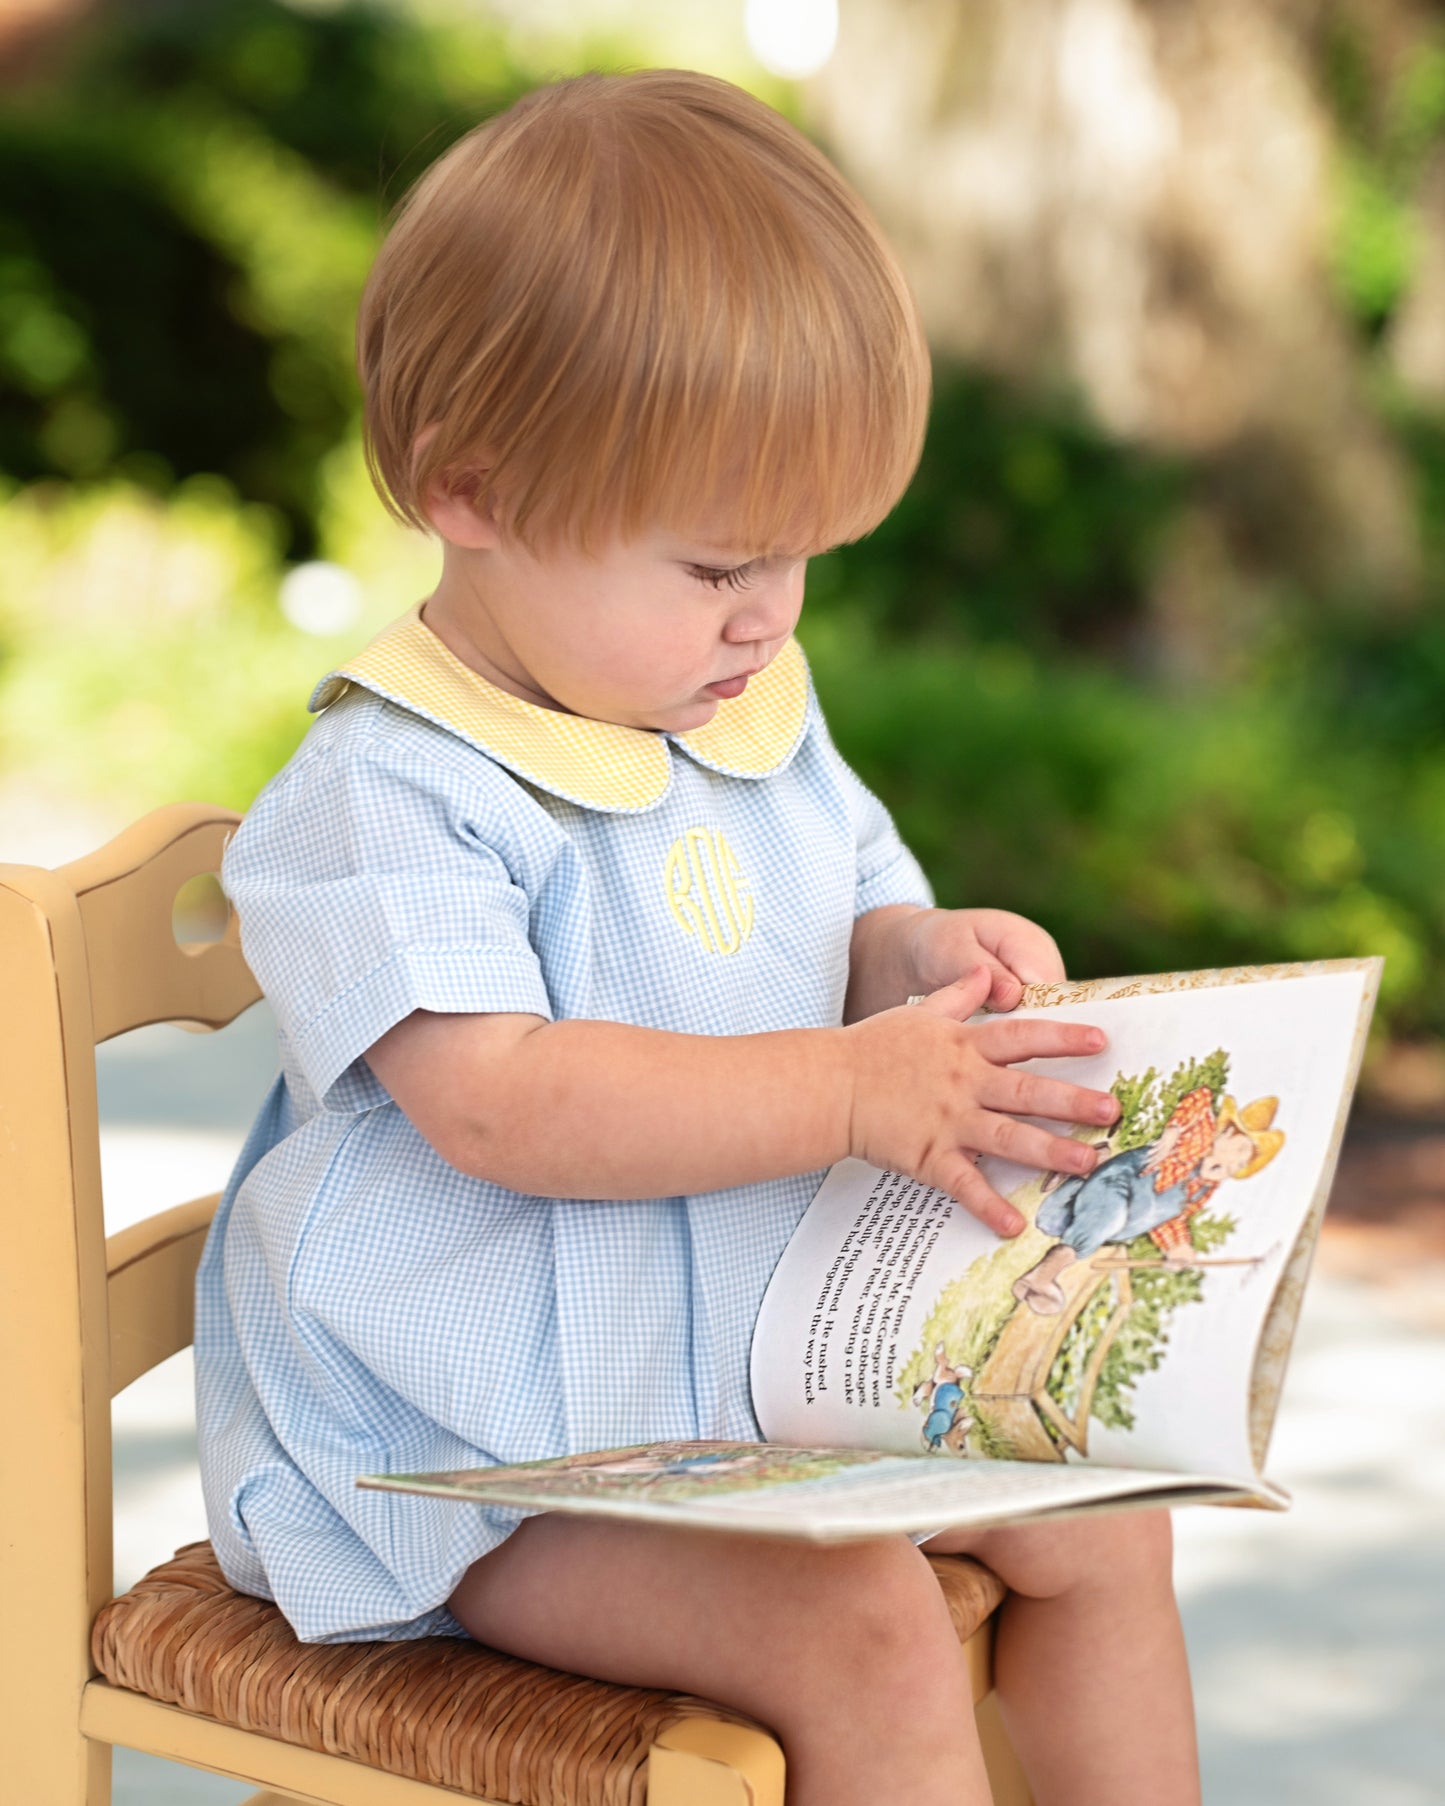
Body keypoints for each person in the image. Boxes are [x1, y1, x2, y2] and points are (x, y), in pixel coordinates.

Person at [195, 69, 1199, 1806]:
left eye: (799, 558)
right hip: (477, 1458)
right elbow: (507, 1102)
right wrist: (848, 1089)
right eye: (717, 562)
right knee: (866, 1628)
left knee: (1107, 1516)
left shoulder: (737, 706)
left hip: (724, 1395)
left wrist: (935, 961)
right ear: (474, 493)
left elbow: (858, 909)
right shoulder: (392, 792)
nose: (767, 616)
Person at [1013, 1088, 1285, 1314]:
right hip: (1120, 1184)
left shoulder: (1204, 1188)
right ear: (1225, 1133)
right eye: (1239, 1150)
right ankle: (1042, 1277)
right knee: (1107, 1218)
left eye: (1242, 1163)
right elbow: (1199, 1099)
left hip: (1129, 1217)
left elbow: (1170, 1218)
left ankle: (1083, 1175)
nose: (1235, 1164)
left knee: (1051, 1222)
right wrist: (1174, 1131)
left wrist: (1178, 1246)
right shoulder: (1197, 1139)